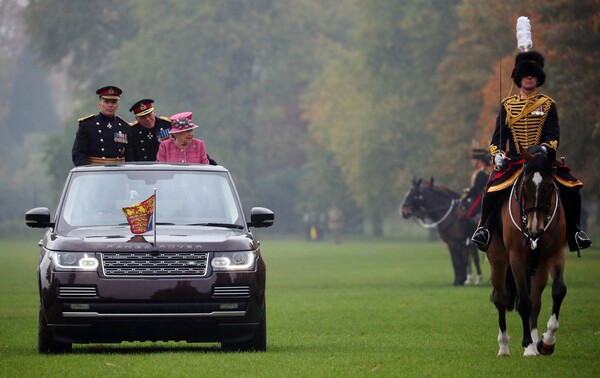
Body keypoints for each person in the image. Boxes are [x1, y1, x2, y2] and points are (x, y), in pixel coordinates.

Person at [471, 50, 592, 252]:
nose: (529, 77)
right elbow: (497, 138)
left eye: (533, 74)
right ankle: (484, 230)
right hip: (515, 161)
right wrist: (498, 154)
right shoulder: (508, 105)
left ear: (538, 78)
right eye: (526, 74)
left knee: (572, 188)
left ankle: (575, 232)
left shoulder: (547, 105)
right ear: (519, 78)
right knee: (491, 190)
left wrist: (545, 149)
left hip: (542, 160)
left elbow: (553, 135)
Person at [72, 85, 133, 166]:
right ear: (99, 104)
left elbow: (130, 158)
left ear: (117, 106)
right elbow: (78, 155)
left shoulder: (124, 127)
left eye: (113, 102)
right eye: (106, 102)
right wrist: (88, 173)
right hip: (95, 173)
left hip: (118, 173)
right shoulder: (87, 125)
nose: (110, 105)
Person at [462, 148, 491, 236]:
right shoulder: (479, 172)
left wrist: (467, 195)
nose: (472, 161)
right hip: (477, 196)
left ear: (479, 160)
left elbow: (477, 188)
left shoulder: (482, 173)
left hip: (480, 197)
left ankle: (473, 237)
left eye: (473, 159)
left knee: (468, 215)